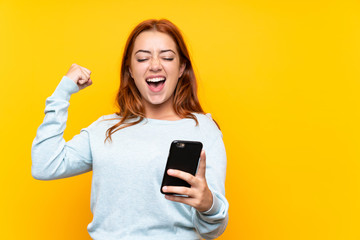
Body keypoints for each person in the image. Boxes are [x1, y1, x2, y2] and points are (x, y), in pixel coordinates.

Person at [31, 19, 229, 239]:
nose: (155, 65)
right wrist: (62, 93)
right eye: (143, 58)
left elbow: (213, 229)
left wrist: (208, 204)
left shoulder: (203, 130)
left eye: (167, 57)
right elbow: (44, 165)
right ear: (130, 70)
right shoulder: (105, 129)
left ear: (181, 67)